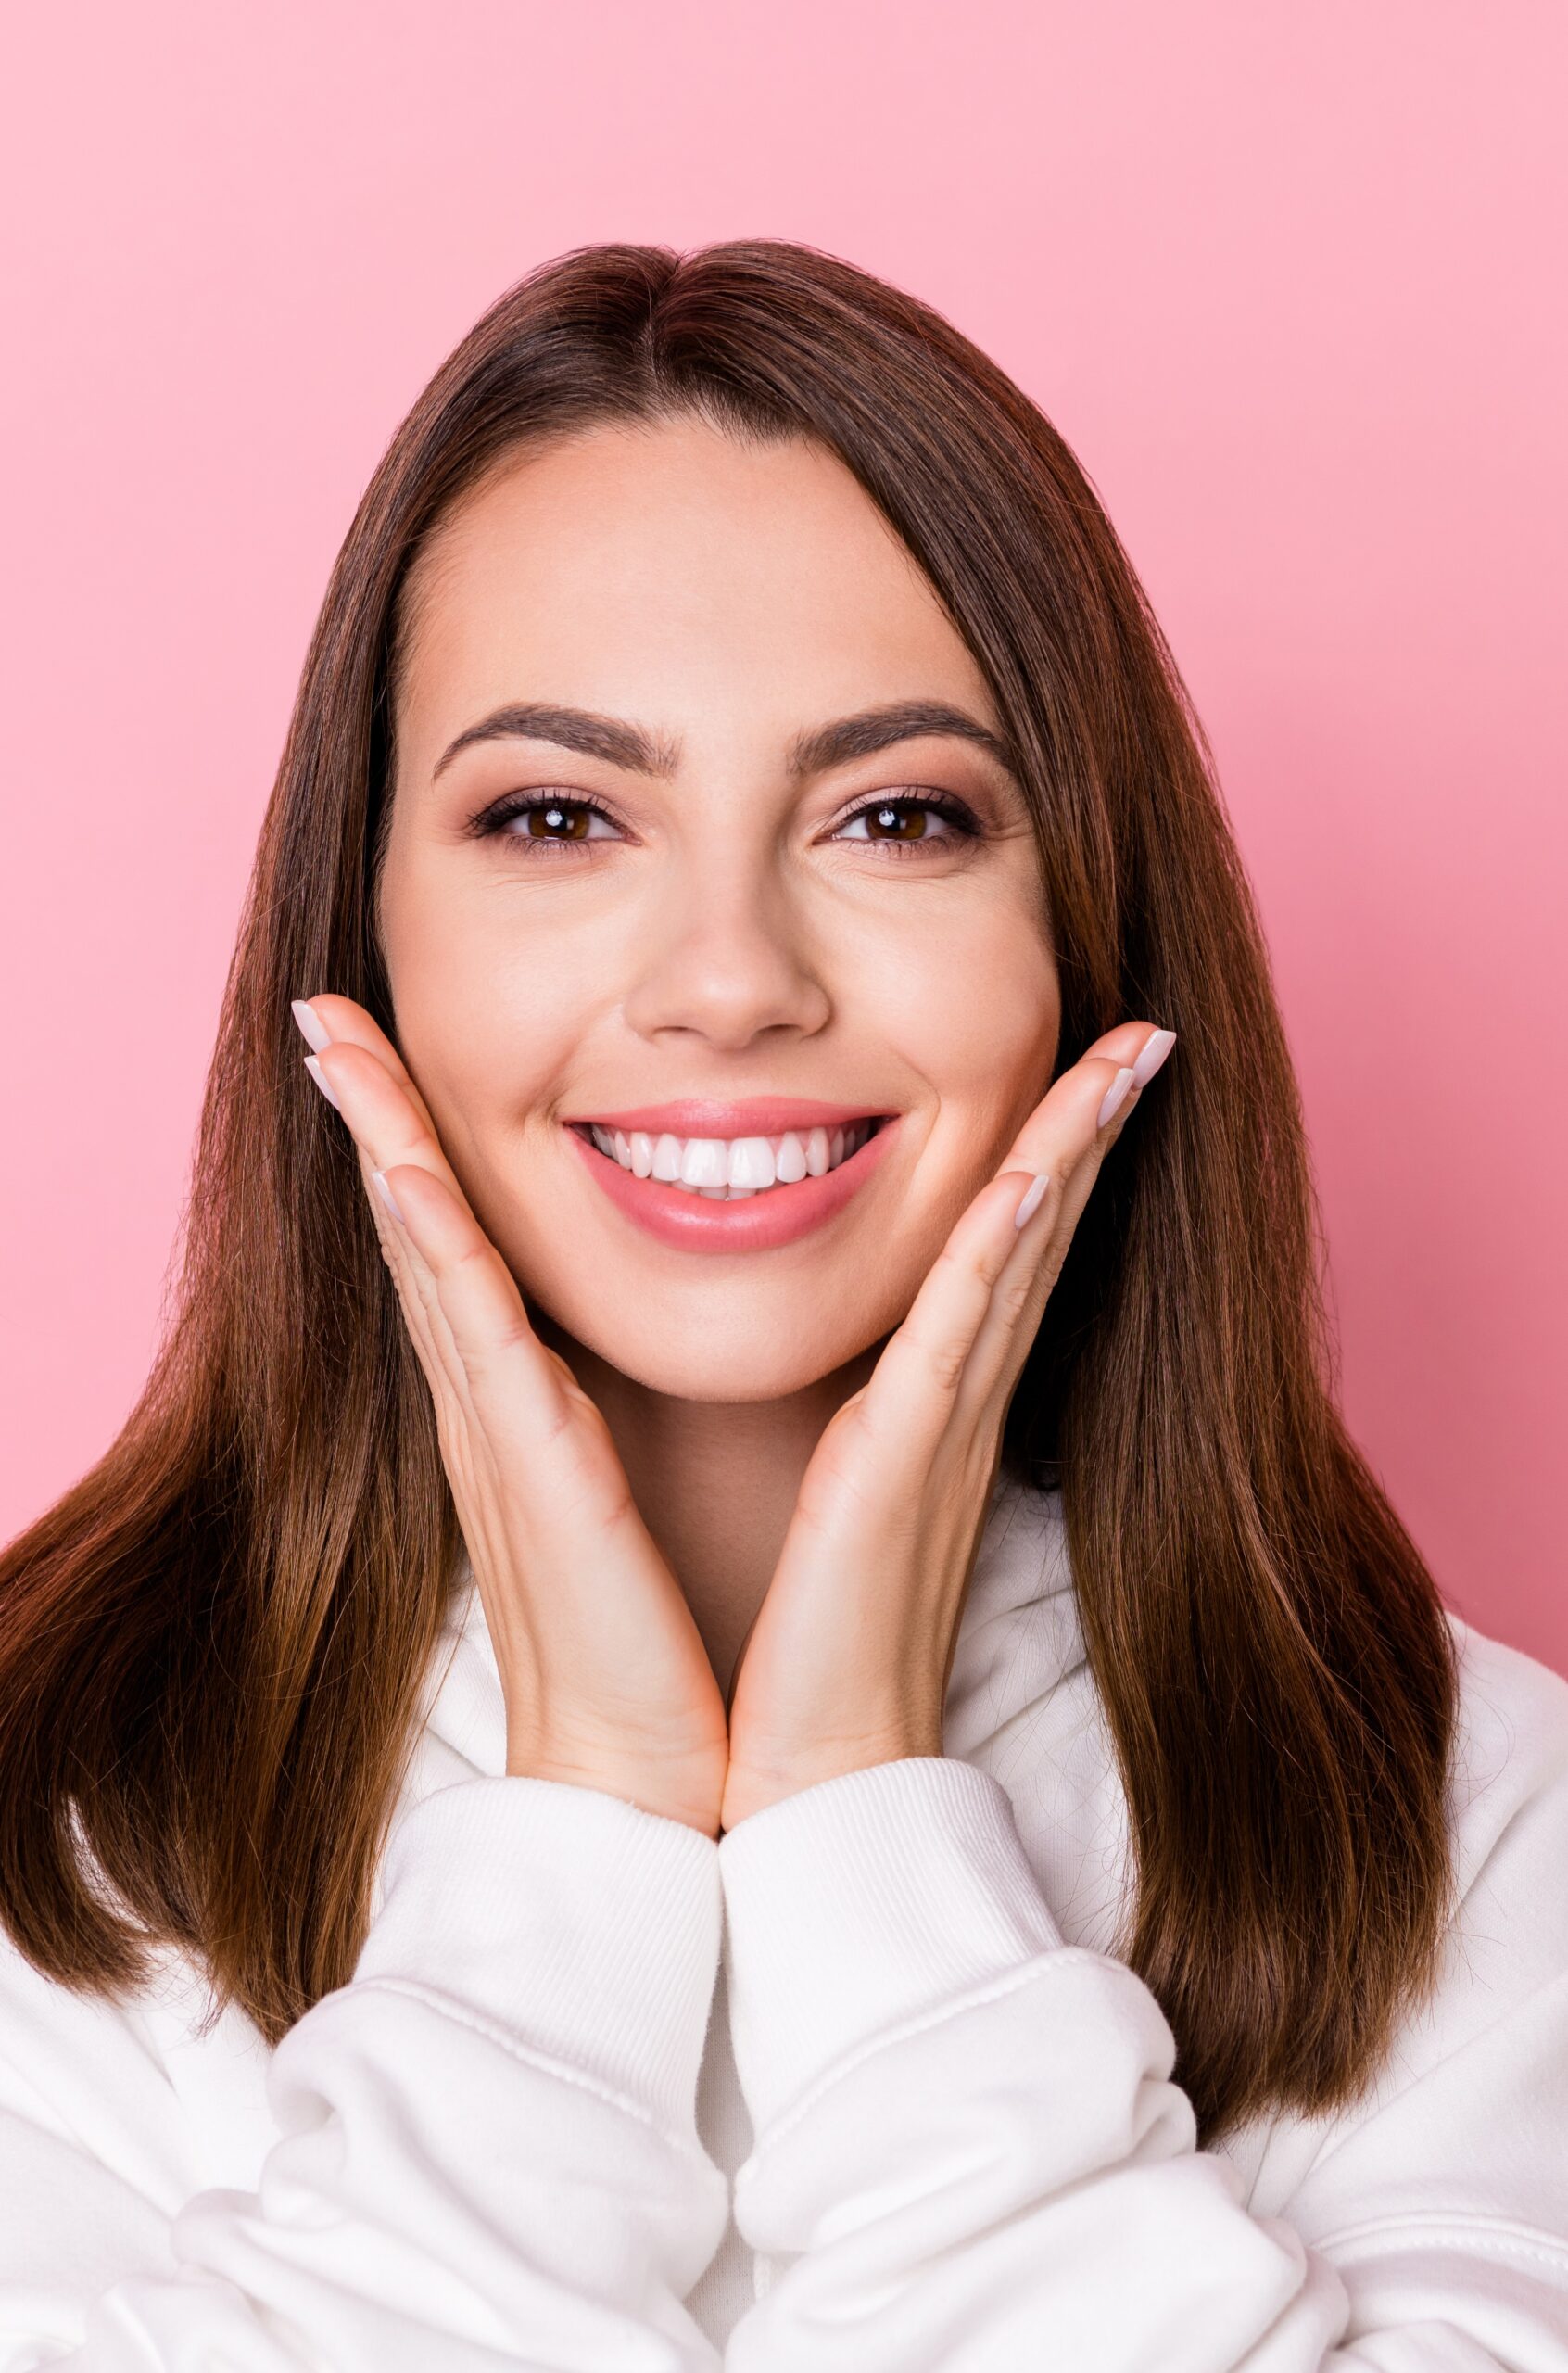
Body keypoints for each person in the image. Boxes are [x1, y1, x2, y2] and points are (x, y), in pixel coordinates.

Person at [0, 237, 1563, 2368]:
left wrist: (853, 1813)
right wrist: (589, 1833)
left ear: (1088, 940)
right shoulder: (41, 1826)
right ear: (360, 925)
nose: (732, 974)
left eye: (897, 815)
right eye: (557, 815)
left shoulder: (1489, 1834)